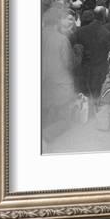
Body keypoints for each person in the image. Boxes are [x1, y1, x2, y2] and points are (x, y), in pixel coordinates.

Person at [42, 11, 77, 145]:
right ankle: (45, 136)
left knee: (47, 112)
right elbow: (69, 63)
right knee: (65, 120)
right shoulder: (62, 39)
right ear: (57, 22)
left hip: (44, 83)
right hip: (60, 83)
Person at [73, 6, 110, 99]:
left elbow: (76, 50)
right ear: (105, 17)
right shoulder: (107, 33)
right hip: (100, 73)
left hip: (84, 71)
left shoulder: (80, 32)